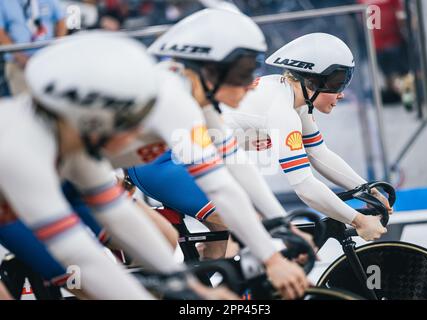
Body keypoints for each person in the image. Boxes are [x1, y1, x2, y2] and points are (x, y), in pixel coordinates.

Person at [0, 32, 236, 300]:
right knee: (83, 280)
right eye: (124, 123)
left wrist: (189, 286)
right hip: (13, 202)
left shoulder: (72, 133)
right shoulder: (19, 149)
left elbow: (118, 217)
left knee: (164, 239)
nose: (133, 138)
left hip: (52, 185)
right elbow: (79, 254)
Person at [107, 9, 309, 299]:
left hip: (126, 167)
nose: (250, 83)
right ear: (210, 71)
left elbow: (237, 165)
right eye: (242, 73)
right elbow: (220, 185)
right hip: (114, 172)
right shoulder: (174, 96)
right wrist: (272, 257)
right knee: (225, 226)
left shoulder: (196, 95)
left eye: (253, 69)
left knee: (199, 241)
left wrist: (281, 224)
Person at [222, 33, 393, 241]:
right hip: (186, 160)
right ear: (312, 80)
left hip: (205, 161)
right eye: (338, 83)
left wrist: (368, 190)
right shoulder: (282, 110)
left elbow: (319, 153)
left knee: (240, 239)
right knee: (254, 237)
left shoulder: (296, 100)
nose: (342, 94)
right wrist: (358, 220)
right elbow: (304, 186)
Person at [0, 0, 67, 96]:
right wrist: (19, 57)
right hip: (18, 65)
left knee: (51, 102)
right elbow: (1, 32)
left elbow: (61, 20)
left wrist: (55, 49)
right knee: (25, 106)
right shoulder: (4, 2)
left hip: (48, 62)